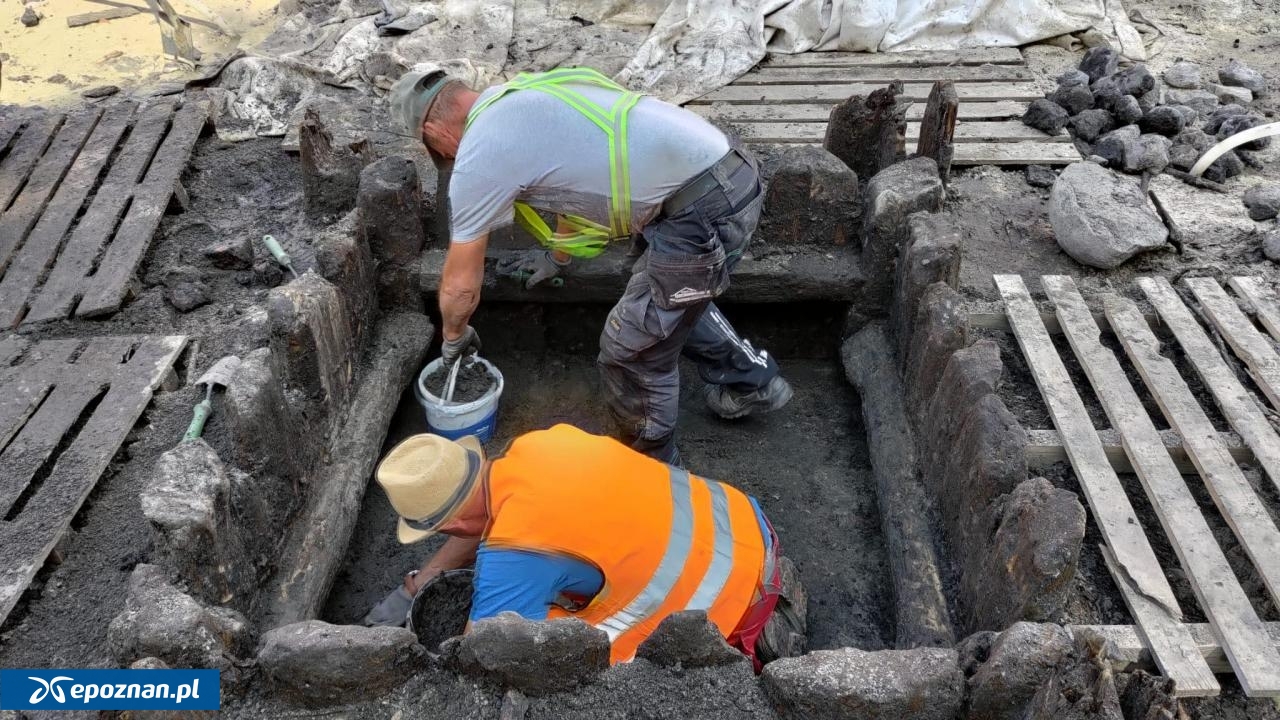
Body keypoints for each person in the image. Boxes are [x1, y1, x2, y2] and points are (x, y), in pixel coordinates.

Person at [388, 66, 793, 465]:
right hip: (724, 172)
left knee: (631, 349)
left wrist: (454, 337)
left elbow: (460, 284)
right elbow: (574, 185)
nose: (448, 157)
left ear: (435, 133)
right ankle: (751, 381)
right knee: (669, 296)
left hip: (699, 207)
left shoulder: (480, 150)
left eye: (441, 153)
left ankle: (653, 465)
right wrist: (557, 257)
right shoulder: (525, 96)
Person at [361, 424, 805, 667]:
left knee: (554, 652)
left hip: (736, 605)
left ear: (451, 523)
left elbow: (487, 654)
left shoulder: (513, 555)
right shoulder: (537, 445)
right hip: (745, 525)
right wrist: (421, 584)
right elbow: (485, 516)